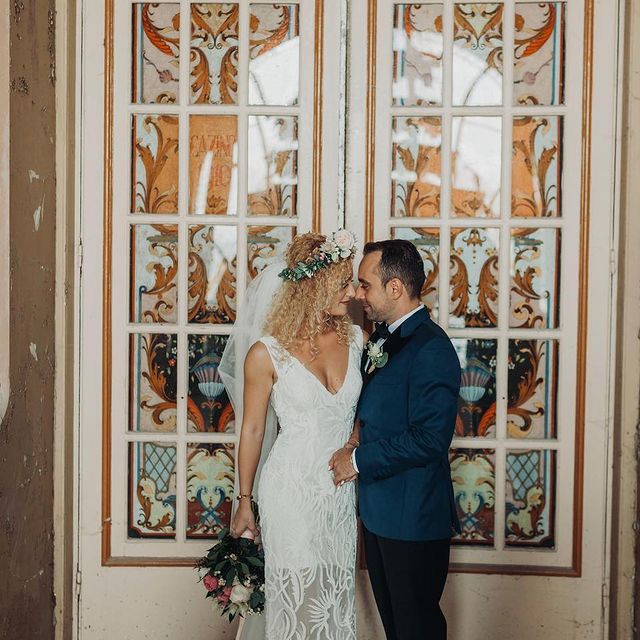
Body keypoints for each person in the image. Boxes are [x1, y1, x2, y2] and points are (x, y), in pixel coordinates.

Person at [224, 231, 366, 640]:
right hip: (289, 491)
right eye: (343, 283)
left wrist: (353, 443)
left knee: (333, 599)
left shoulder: (357, 340)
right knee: (294, 600)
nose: (353, 292)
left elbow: (366, 413)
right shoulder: (265, 353)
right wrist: (245, 500)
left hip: (339, 491)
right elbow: (252, 429)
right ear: (313, 284)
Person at [330, 239, 461, 640]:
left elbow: (429, 440)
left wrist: (357, 461)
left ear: (395, 288)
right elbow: (378, 410)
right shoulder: (383, 338)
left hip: (413, 518)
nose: (358, 294)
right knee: (398, 630)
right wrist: (356, 435)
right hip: (381, 515)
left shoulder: (432, 348)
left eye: (365, 285)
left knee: (416, 630)